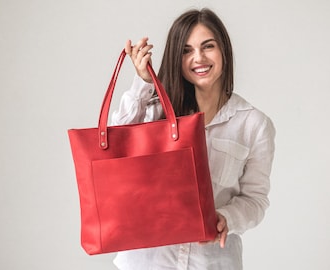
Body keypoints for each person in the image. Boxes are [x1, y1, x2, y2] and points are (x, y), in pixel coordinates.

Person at [111, 8, 275, 270]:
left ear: (224, 51)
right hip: (147, 261)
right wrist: (143, 83)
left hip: (212, 262)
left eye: (207, 47)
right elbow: (115, 142)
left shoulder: (253, 124)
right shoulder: (155, 111)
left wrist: (226, 217)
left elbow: (255, 199)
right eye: (186, 50)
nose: (198, 58)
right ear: (177, 58)